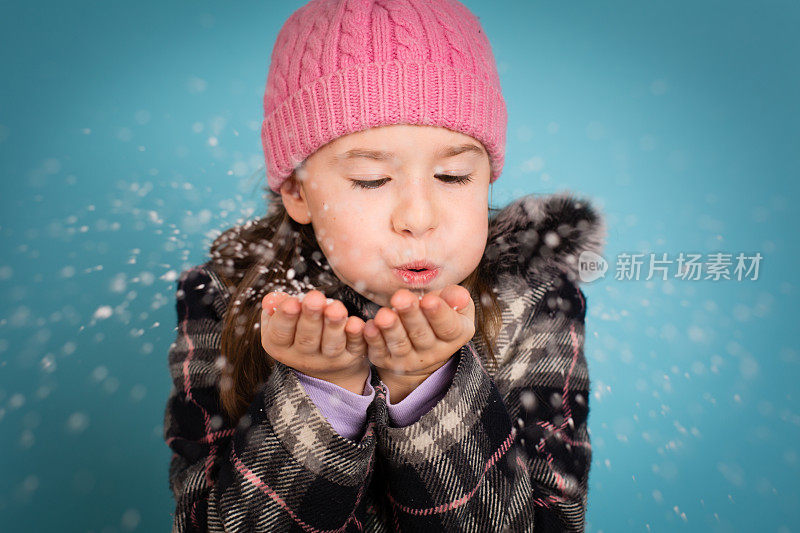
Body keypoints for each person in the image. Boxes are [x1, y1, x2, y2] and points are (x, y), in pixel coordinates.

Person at [163, 0, 606, 531]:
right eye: (372, 181)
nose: (418, 218)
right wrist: (322, 392)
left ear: (487, 176)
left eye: (453, 176)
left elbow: (550, 524)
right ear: (299, 193)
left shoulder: (533, 296)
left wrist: (428, 387)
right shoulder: (229, 299)